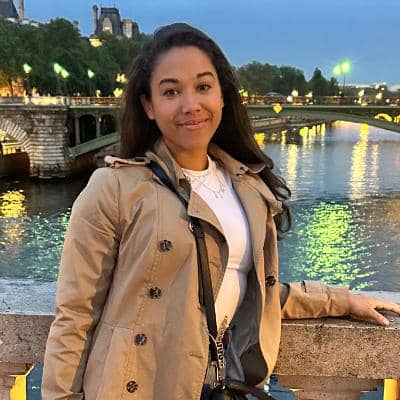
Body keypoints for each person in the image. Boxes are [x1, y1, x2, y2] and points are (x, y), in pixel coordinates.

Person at [41, 23, 400, 400]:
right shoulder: (115, 188)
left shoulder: (249, 188)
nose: (190, 105)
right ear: (148, 105)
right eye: (171, 91)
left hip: (214, 388)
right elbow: (75, 316)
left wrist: (341, 300)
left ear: (223, 96)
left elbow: (254, 292)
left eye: (203, 86)